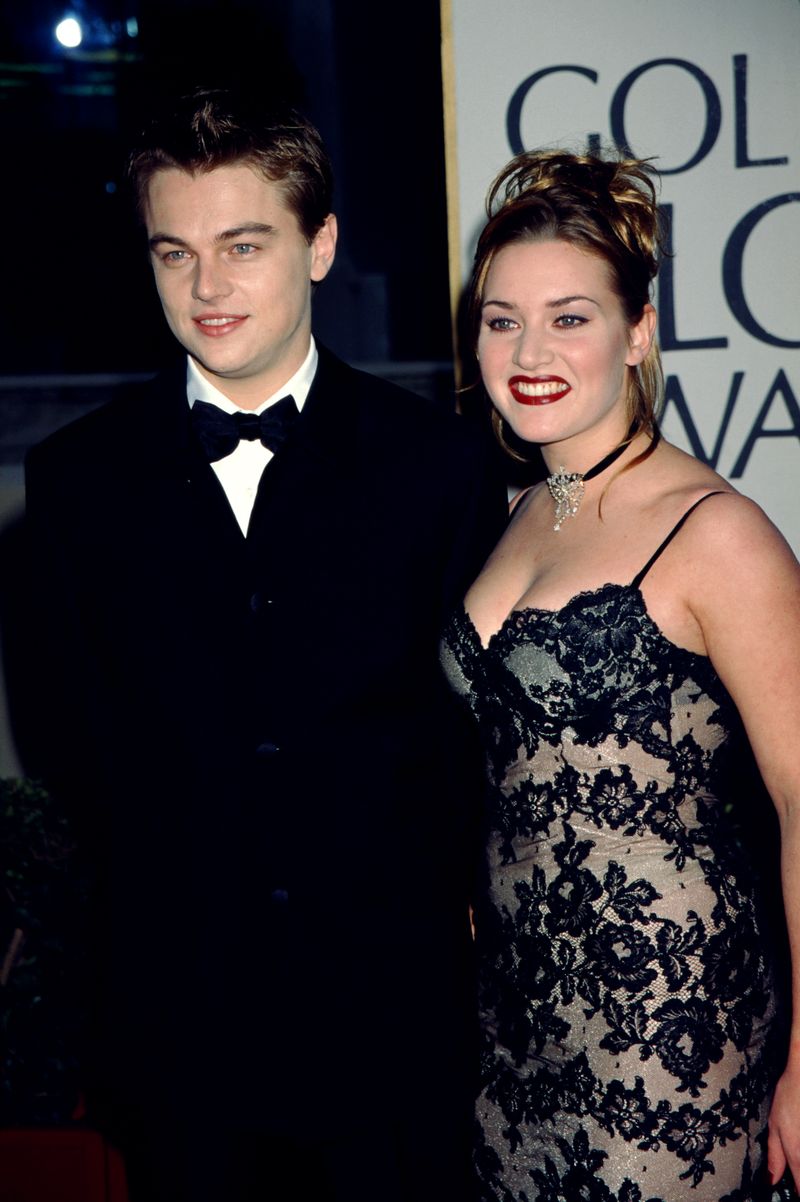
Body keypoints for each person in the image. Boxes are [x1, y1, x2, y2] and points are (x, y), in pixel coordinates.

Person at [20, 89, 508, 1202]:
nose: (206, 288)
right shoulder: (75, 483)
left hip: (395, 1036)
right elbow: (72, 743)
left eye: (243, 246)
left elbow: (466, 748)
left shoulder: (442, 467)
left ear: (320, 245)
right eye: (175, 252)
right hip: (180, 1040)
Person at [439, 148, 800, 1201]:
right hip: (513, 1032)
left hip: (668, 1033)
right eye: (501, 319)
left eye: (569, 317)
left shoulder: (715, 531)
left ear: (637, 331)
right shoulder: (516, 513)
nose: (527, 352)